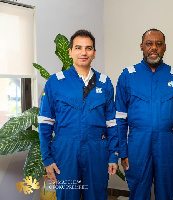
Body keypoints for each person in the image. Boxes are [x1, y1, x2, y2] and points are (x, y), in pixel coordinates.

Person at [38, 29, 118, 200]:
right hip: (66, 153)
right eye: (78, 48)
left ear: (94, 53)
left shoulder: (104, 83)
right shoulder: (55, 82)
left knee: (97, 196)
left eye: (88, 48)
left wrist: (113, 155)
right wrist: (47, 159)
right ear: (70, 52)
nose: (83, 52)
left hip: (96, 152)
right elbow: (45, 123)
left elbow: (111, 123)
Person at [115, 28, 173, 200]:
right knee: (138, 189)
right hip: (137, 144)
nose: (154, 48)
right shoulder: (128, 76)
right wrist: (123, 151)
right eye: (149, 44)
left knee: (166, 189)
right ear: (141, 46)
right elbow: (120, 118)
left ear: (165, 47)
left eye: (158, 44)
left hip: (167, 143)